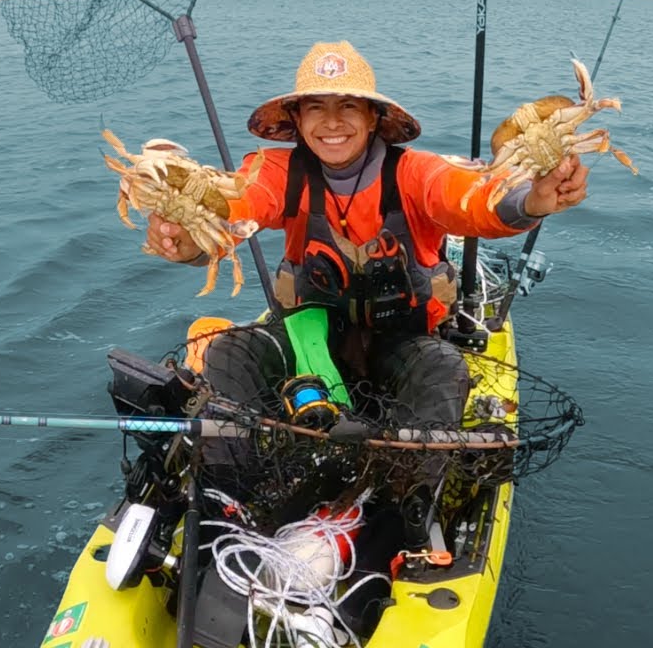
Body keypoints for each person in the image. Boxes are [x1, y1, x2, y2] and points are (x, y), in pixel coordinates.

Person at [147, 40, 588, 428]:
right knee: (229, 352)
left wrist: (531, 201)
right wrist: (189, 242)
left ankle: (408, 489)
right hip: (311, 337)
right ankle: (238, 477)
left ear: (374, 118)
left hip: (402, 342)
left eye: (348, 106)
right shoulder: (277, 172)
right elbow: (239, 203)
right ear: (296, 119)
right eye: (315, 107)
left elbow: (470, 200)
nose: (331, 122)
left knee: (442, 369)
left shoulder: (416, 173)